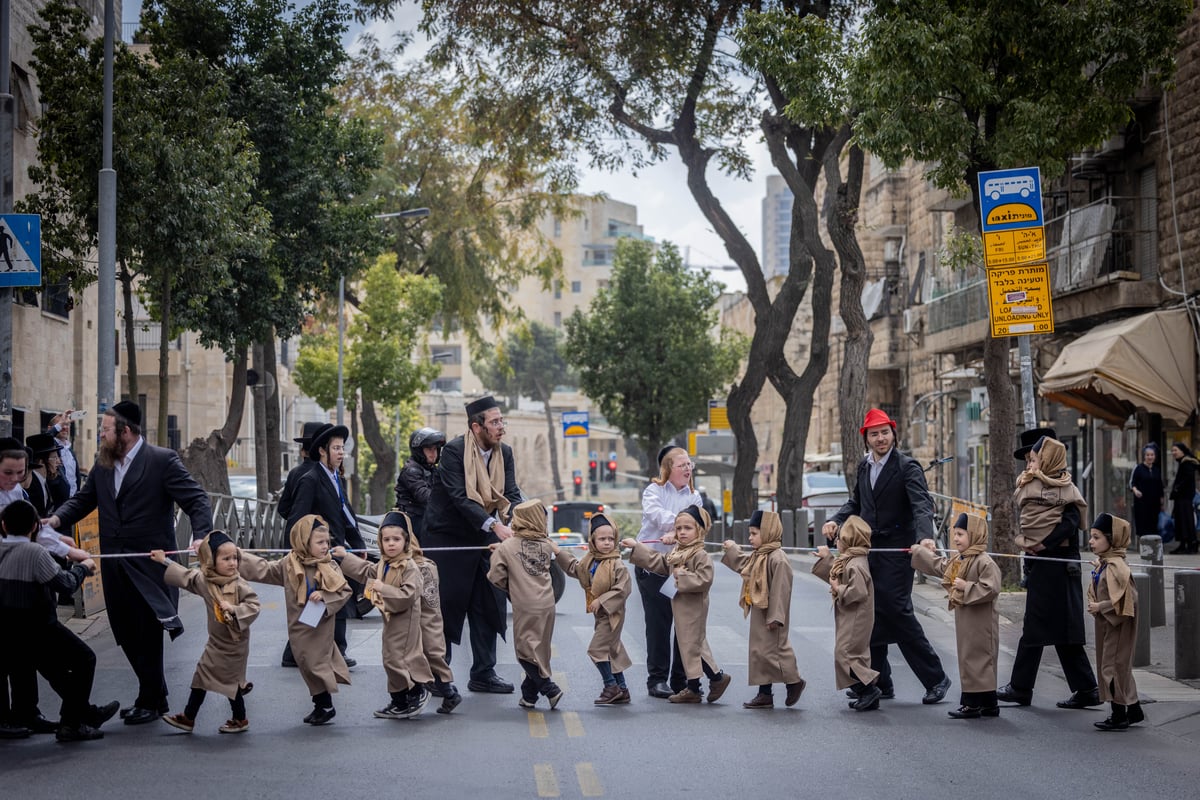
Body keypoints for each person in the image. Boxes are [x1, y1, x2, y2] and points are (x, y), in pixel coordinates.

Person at [47, 400, 212, 726]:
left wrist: (201, 534)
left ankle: (149, 700)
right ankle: (156, 694)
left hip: (151, 564)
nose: (101, 436)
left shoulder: (162, 461)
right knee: (124, 630)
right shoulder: (103, 464)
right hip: (114, 564)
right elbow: (83, 500)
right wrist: (55, 519)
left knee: (148, 629)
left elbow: (196, 499)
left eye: (106, 430)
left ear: (125, 432)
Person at [823, 408, 951, 705]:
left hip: (898, 551)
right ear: (865, 438)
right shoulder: (864, 467)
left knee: (897, 611)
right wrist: (836, 519)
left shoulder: (908, 466)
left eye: (885, 432)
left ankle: (936, 677)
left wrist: (925, 537)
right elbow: (856, 502)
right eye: (874, 434)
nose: (880, 438)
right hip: (869, 551)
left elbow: (922, 505)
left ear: (894, 434)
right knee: (872, 613)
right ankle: (879, 680)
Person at [422, 395, 522, 695]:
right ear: (477, 427)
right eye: (494, 422)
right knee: (446, 606)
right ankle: (439, 674)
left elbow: (512, 492)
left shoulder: (504, 452)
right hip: (447, 537)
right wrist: (495, 525)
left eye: (501, 420)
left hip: (484, 538)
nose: (500, 427)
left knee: (489, 603)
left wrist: (519, 517)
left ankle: (483, 673)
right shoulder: (453, 451)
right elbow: (460, 497)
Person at [998, 428, 1101, 710]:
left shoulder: (1065, 488)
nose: (1029, 464)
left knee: (1046, 628)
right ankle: (1084, 688)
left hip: (1058, 565)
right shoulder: (1032, 487)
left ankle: (1022, 687)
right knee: (1052, 630)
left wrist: (1044, 544)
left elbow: (1070, 523)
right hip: (1044, 565)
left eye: (1033, 458)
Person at [0, 500, 119, 742]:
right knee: (85, 659)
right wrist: (83, 567)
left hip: (10, 629)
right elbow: (64, 583)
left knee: (55, 671)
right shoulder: (34, 553)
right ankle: (73, 724)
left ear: (3, 525)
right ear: (35, 526)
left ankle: (84, 714)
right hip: (38, 625)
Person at [239, 515, 351, 725]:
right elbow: (265, 569)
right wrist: (237, 556)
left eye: (327, 542)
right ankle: (320, 704)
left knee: (317, 664)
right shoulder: (289, 563)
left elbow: (344, 591)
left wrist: (325, 597)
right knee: (305, 664)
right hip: (299, 625)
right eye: (319, 542)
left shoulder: (329, 566)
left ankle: (325, 705)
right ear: (303, 541)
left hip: (320, 625)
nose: (325, 546)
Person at [152, 531, 260, 735]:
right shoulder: (205, 581)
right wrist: (163, 560)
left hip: (234, 643)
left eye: (235, 558)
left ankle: (239, 718)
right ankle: (189, 718)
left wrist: (235, 609)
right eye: (226, 559)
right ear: (211, 560)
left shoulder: (239, 584)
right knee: (202, 676)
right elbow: (186, 576)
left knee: (230, 683)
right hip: (215, 642)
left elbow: (254, 605)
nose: (232, 563)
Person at [623, 506, 731, 705]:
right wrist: (636, 547)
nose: (682, 532)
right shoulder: (678, 552)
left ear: (700, 530)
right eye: (678, 528)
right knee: (691, 645)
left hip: (693, 606)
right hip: (681, 605)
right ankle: (704, 683)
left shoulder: (700, 555)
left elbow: (704, 579)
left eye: (688, 528)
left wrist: (680, 576)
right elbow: (661, 562)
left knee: (692, 645)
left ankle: (704, 683)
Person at [334, 510, 433, 720]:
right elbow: (368, 571)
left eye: (396, 539)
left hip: (405, 621)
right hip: (391, 619)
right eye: (386, 539)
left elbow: (408, 595)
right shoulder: (385, 564)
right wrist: (345, 558)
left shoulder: (410, 567)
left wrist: (383, 589)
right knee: (390, 659)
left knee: (402, 659)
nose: (391, 544)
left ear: (406, 541)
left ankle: (416, 692)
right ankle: (399, 700)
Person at [284, 423, 365, 666]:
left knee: (328, 603)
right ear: (322, 451)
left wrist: (358, 542)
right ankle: (335, 652)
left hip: (337, 549)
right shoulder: (310, 479)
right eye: (336, 448)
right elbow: (295, 520)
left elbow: (345, 513)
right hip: (319, 554)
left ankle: (294, 654)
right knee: (336, 602)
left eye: (343, 448)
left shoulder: (335, 477)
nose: (341, 453)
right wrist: (306, 549)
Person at [912, 513, 1002, 719]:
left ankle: (971, 704)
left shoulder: (984, 562)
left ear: (974, 535)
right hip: (967, 621)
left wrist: (966, 586)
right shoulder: (961, 559)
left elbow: (992, 588)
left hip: (982, 623)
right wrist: (918, 552)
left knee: (977, 659)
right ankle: (989, 703)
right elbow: (941, 567)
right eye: (955, 534)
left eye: (961, 534)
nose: (956, 539)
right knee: (972, 658)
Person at [720, 509, 805, 710]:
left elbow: (781, 590)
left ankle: (794, 682)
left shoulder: (778, 558)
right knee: (759, 652)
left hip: (772, 614)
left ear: (768, 532)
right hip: (760, 609)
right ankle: (764, 693)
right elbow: (744, 565)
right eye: (750, 533)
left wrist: (776, 616)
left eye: (754, 533)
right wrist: (732, 549)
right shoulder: (761, 555)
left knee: (777, 650)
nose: (750, 538)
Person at [487, 499, 562, 709]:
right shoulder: (546, 544)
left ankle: (550, 688)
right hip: (548, 603)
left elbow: (495, 576)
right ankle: (529, 696)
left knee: (525, 652)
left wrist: (512, 586)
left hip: (526, 604)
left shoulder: (507, 546)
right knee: (541, 649)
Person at [635, 445, 697, 698]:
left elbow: (699, 523)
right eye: (682, 465)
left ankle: (680, 679)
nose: (688, 469)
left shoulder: (695, 496)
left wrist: (678, 530)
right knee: (659, 623)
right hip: (653, 565)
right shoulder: (654, 491)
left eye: (690, 464)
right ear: (668, 469)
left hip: (681, 566)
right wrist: (680, 525)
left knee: (683, 622)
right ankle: (657, 680)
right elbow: (656, 515)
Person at [554, 512, 632, 705]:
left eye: (611, 539)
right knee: (611, 650)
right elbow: (575, 568)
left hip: (612, 614)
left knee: (596, 650)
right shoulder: (591, 560)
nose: (607, 543)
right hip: (601, 614)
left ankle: (610, 685)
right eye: (602, 539)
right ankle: (622, 689)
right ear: (593, 540)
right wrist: (557, 552)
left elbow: (623, 588)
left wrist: (602, 600)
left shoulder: (617, 563)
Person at [811, 515, 881, 711]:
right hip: (852, 615)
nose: (836, 542)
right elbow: (839, 576)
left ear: (850, 541)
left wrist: (838, 589)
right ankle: (864, 691)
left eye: (839, 538)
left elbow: (857, 592)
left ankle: (867, 689)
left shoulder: (856, 564)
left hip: (857, 617)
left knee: (845, 653)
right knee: (851, 654)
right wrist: (827, 560)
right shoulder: (851, 560)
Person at [1086, 513, 1145, 731]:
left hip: (1117, 625)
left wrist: (1101, 606)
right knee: (1116, 667)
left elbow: (1130, 597)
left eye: (1096, 537)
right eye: (1091, 537)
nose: (1091, 541)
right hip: (1108, 625)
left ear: (1112, 539)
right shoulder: (1107, 564)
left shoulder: (1116, 566)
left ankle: (1119, 714)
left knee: (1112, 667)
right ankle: (1134, 710)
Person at [409, 532, 462, 713]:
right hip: (422, 624)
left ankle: (448, 694)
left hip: (426, 624)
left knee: (430, 661)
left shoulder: (421, 567)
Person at [395, 427, 446, 536]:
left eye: (436, 449)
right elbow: (423, 495)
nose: (434, 453)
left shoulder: (432, 469)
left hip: (424, 517)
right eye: (429, 449)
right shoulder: (411, 470)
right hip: (411, 519)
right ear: (419, 450)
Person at [276, 421, 324, 522]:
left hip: (297, 532)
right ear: (322, 450)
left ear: (302, 451)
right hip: (323, 533)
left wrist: (297, 519)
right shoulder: (327, 473)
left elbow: (283, 508)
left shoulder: (294, 473)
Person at [24, 434, 70, 517]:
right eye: (54, 458)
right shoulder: (31, 483)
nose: (59, 462)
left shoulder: (45, 480)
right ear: (41, 462)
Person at [1129, 443, 1165, 542]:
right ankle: (1144, 546)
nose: (1150, 457)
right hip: (1142, 502)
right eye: (1148, 455)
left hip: (1154, 503)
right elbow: (1132, 483)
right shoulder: (1138, 468)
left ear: (1155, 456)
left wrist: (1162, 502)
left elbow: (1160, 486)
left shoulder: (1156, 470)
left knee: (1154, 525)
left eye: (1152, 455)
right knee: (1143, 525)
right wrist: (1136, 491)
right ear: (1144, 456)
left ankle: (1154, 546)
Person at [1169, 442, 1198, 554]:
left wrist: (1177, 488)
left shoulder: (1187, 463)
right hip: (1181, 498)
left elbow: (1186, 480)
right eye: (1172, 450)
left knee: (1186, 522)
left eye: (1175, 450)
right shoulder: (1183, 462)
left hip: (1184, 498)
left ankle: (1191, 544)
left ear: (1182, 451)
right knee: (1181, 521)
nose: (1173, 453)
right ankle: (1183, 544)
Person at [45, 409, 83, 497]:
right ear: (51, 428)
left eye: (67, 424)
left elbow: (75, 477)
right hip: (57, 502)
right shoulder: (50, 446)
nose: (65, 428)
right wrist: (59, 425)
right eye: (62, 425)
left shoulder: (70, 450)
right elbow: (44, 439)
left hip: (73, 501)